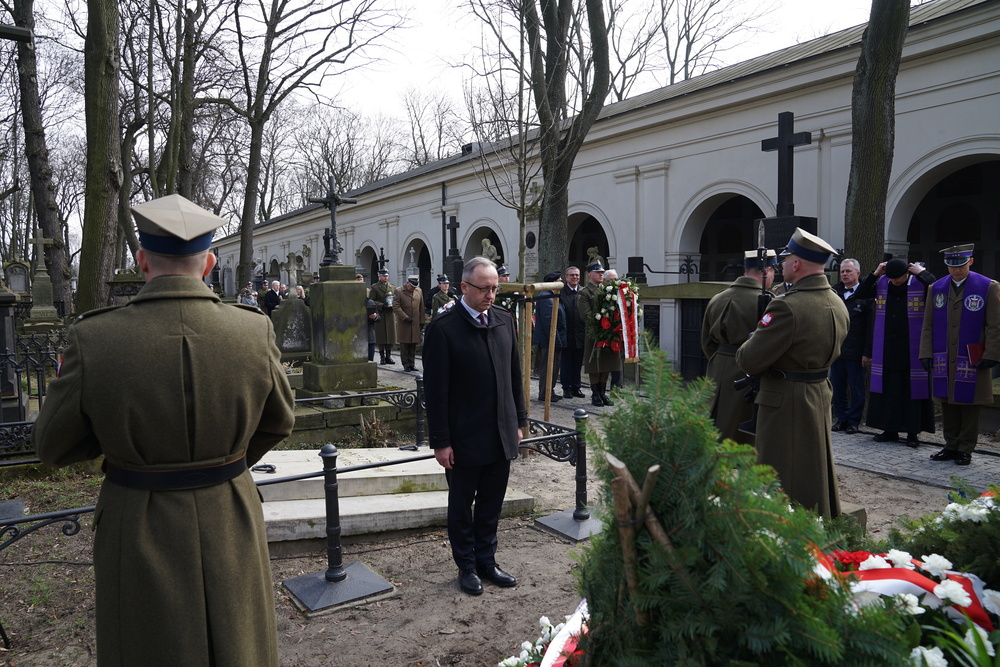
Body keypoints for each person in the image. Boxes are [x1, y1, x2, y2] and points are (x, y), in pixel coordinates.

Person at [32, 194, 295, 666]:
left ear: (141, 260)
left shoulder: (94, 337)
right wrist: (226, 457)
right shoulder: (252, 330)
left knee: (145, 646)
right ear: (210, 262)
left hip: (137, 519)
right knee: (240, 647)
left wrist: (118, 441)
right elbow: (279, 421)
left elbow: (53, 444)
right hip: (229, 509)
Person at [422, 256, 527, 596]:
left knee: (491, 504)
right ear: (465, 287)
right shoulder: (443, 328)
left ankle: (488, 561)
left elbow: (514, 376)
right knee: (462, 507)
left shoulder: (502, 320)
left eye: (495, 288)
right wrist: (441, 441)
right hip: (464, 436)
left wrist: (519, 421)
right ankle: (466, 566)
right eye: (484, 289)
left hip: (500, 431)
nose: (491, 295)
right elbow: (436, 391)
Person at [735, 227, 848, 518]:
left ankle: (785, 530)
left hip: (785, 398)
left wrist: (753, 337)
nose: (782, 265)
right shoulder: (837, 302)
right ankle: (822, 516)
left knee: (782, 470)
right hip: (819, 392)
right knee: (814, 465)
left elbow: (748, 360)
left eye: (786, 260)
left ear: (796, 264)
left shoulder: (787, 306)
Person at [919, 243, 1000, 466]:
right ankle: (950, 445)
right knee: (947, 401)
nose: (957, 270)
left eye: (961, 265)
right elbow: (928, 324)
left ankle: (965, 448)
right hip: (943, 354)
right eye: (952, 266)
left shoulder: (987, 287)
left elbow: (996, 325)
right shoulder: (936, 288)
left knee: (970, 403)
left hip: (972, 355)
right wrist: (926, 352)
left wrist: (992, 353)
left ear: (970, 261)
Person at [856, 258, 936, 447]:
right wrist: (876, 274)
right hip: (887, 350)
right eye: (891, 278)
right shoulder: (883, 282)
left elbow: (939, 289)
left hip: (912, 351)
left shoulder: (919, 282)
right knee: (890, 392)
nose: (894, 282)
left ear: (907, 273)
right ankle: (889, 430)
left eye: (897, 279)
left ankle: (912, 433)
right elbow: (861, 293)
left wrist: (923, 273)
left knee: (911, 394)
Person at [701, 249, 777, 444]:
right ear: (766, 270)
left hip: (718, 367)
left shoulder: (717, 298)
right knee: (741, 434)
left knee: (715, 421)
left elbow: (706, 342)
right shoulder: (770, 303)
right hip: (748, 372)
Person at [830, 258, 872, 434]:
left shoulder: (867, 295)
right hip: (837, 350)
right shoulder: (833, 292)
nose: (845, 275)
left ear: (858, 273)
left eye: (848, 271)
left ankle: (854, 421)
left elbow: (871, 327)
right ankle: (841, 418)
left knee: (856, 388)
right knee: (838, 387)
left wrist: (867, 353)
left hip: (856, 351)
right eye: (842, 272)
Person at [579, 262, 621, 407]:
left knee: (607, 364)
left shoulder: (607, 290)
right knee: (596, 365)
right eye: (597, 272)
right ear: (590, 274)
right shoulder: (584, 293)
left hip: (608, 333)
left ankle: (603, 393)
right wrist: (602, 323)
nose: (601, 274)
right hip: (595, 333)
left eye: (602, 272)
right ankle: (595, 394)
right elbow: (586, 315)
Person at [532, 270, 565, 403]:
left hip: (551, 338)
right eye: (559, 280)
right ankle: (545, 393)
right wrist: (556, 340)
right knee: (548, 367)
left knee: (553, 366)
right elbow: (548, 321)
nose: (561, 283)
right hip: (548, 340)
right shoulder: (547, 297)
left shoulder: (551, 295)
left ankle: (549, 391)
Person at [559, 266, 586, 399]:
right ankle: (566, 387)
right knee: (566, 363)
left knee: (577, 362)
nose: (574, 277)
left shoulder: (583, 291)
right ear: (566, 277)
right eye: (572, 275)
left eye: (576, 275)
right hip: (566, 333)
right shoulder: (561, 292)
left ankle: (576, 387)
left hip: (580, 334)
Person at [393, 275, 424, 372]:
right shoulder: (399, 291)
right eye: (412, 286)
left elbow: (421, 308)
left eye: (415, 287)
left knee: (413, 344)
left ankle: (412, 363)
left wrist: (422, 321)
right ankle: (406, 364)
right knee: (405, 344)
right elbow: (396, 307)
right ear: (407, 283)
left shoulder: (419, 291)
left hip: (415, 322)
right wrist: (405, 317)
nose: (413, 288)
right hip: (404, 323)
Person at [370, 269, 398, 365]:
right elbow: (372, 300)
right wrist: (381, 305)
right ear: (379, 276)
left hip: (390, 314)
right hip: (381, 313)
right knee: (381, 336)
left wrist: (393, 305)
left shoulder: (392, 287)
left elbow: (395, 298)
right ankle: (382, 356)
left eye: (386, 276)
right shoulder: (375, 287)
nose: (385, 277)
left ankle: (388, 356)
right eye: (383, 276)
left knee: (390, 336)